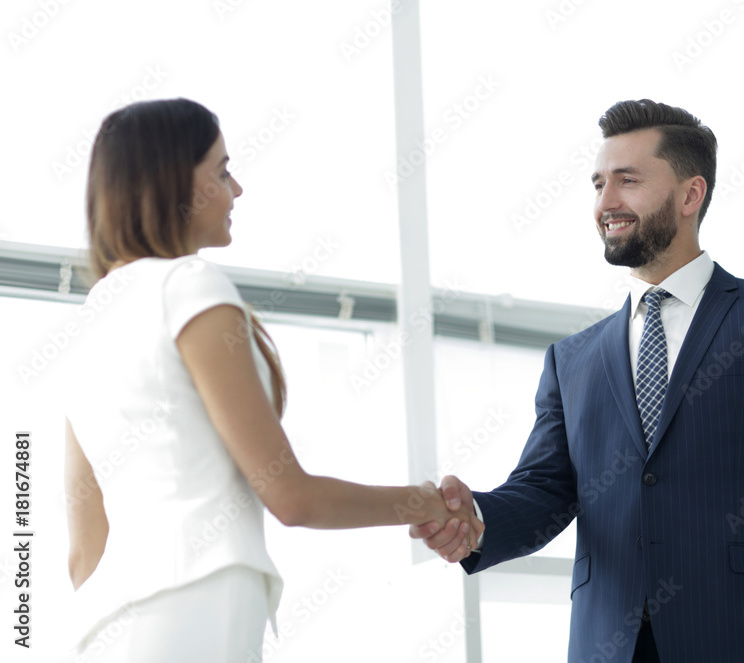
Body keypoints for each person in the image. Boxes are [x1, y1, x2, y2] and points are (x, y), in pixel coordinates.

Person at [412, 99, 744, 662]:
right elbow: (544, 493)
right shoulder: (572, 359)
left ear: (690, 195)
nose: (605, 203)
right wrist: (477, 520)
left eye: (627, 181)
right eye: (598, 184)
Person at [60, 98, 483, 662]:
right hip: (196, 605)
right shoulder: (188, 286)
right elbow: (291, 496)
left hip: (106, 629)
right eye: (221, 170)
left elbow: (84, 553)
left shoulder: (88, 323)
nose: (237, 190)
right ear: (172, 184)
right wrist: (427, 504)